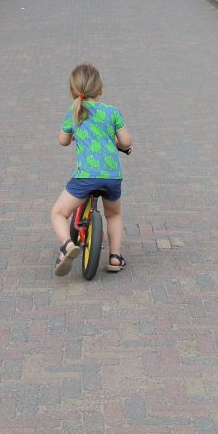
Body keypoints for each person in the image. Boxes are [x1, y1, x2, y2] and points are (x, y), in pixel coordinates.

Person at [50, 62, 132, 276]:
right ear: (101, 89)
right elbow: (126, 141)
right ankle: (115, 256)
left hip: (86, 177)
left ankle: (68, 246)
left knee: (58, 213)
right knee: (113, 214)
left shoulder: (74, 112)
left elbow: (62, 140)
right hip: (112, 177)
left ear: (73, 91)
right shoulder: (113, 112)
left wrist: (72, 134)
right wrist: (117, 143)